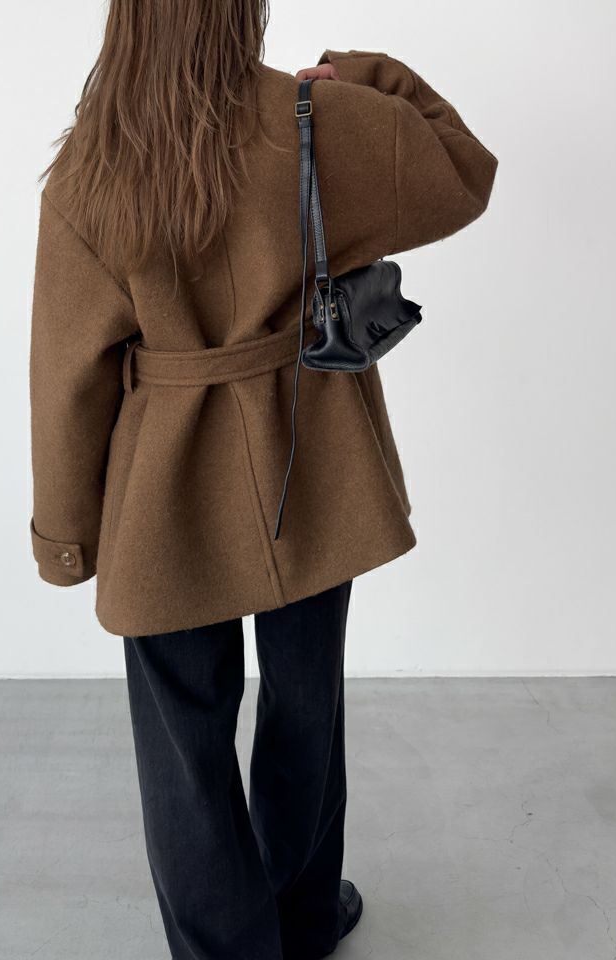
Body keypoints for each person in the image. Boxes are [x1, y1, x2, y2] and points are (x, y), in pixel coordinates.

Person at [27, 1, 498, 956]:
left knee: (183, 737)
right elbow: (461, 169)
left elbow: (67, 376)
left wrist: (66, 534)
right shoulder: (308, 122)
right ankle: (303, 914)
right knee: (305, 697)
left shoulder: (90, 166)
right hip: (309, 459)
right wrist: (355, 74)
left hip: (164, 491)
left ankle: (226, 947)